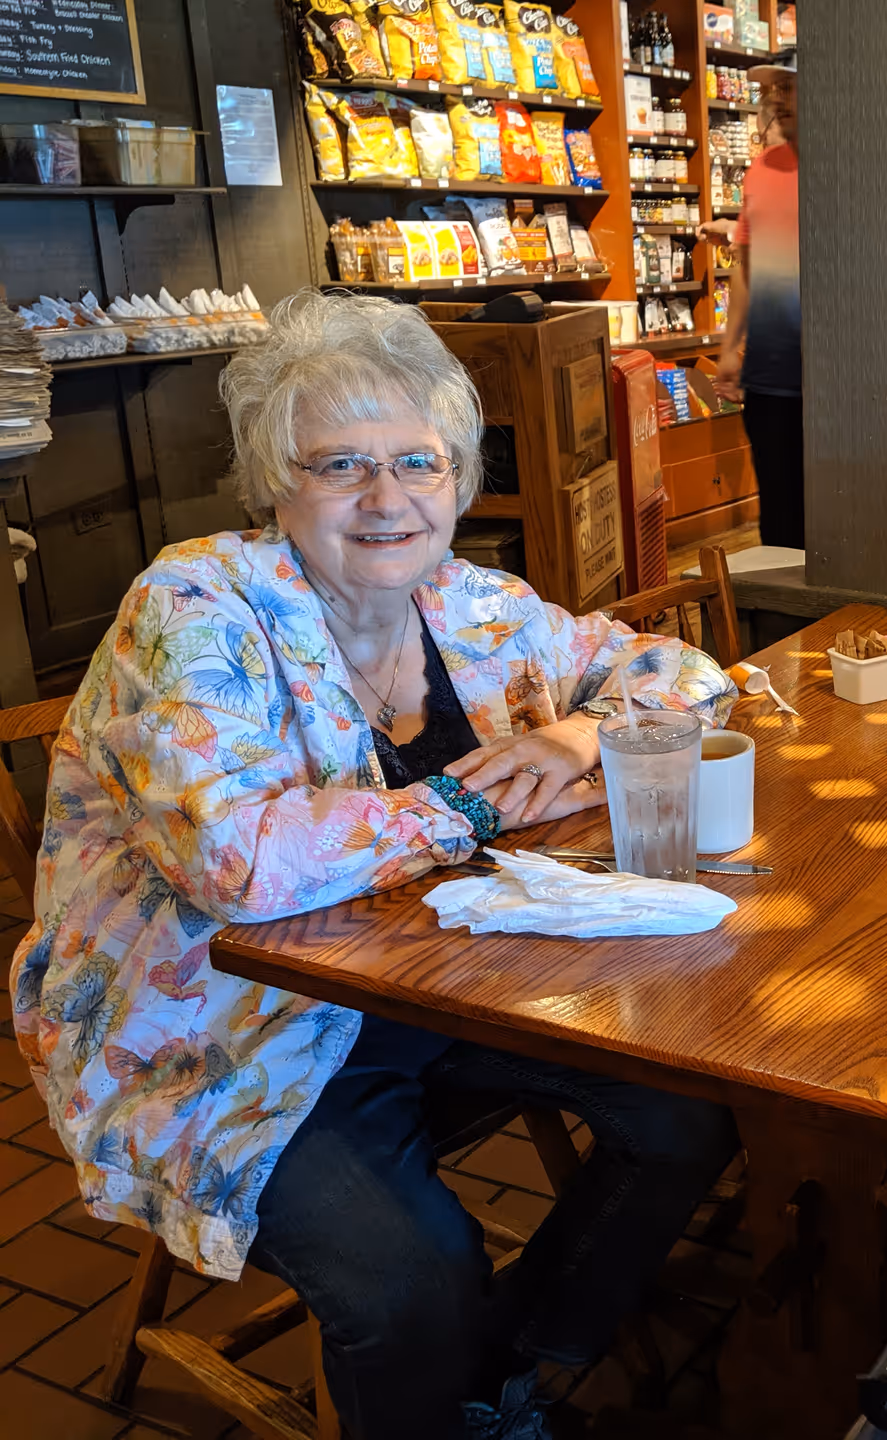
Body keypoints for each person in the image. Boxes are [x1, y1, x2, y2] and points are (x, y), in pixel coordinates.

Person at [8, 291, 741, 1440]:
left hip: (443, 983)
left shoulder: (472, 601)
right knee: (411, 1280)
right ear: (273, 487)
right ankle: (448, 1378)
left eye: (419, 462)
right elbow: (237, 863)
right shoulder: (193, 606)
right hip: (228, 1026)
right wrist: (468, 797)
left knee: (690, 1116)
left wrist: (584, 734)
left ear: (459, 476)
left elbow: (687, 672)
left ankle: (501, 1382)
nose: (389, 499)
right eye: (341, 465)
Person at [714, 50, 804, 551]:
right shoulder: (762, 169)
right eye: (774, 89)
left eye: (789, 87)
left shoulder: (847, 169)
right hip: (769, 374)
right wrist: (731, 346)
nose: (778, 99)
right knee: (779, 515)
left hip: (834, 382)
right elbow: (745, 263)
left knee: (831, 516)